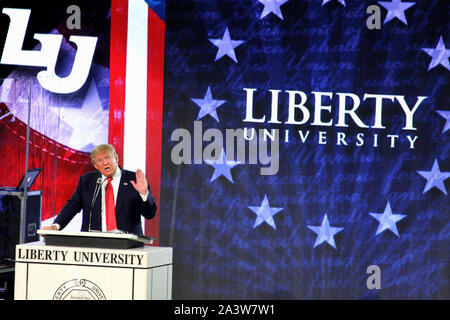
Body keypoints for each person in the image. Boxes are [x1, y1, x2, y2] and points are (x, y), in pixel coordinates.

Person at [42, 144, 156, 235]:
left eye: (108, 158)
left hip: (128, 245)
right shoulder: (87, 181)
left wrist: (144, 194)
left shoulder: (134, 179)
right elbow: (72, 206)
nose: (105, 162)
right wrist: (56, 226)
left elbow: (149, 214)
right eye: (100, 160)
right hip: (94, 244)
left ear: (116, 159)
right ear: (95, 166)